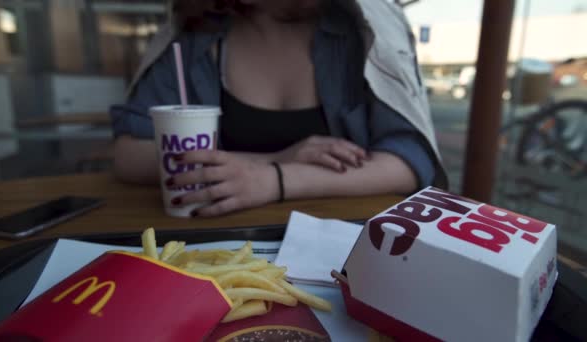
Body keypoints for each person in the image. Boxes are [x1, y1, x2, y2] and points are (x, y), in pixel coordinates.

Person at [110, 0, 447, 217]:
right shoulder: (193, 39)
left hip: (345, 248)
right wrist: (273, 159)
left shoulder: (365, 30)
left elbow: (410, 161)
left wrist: (277, 181)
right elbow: (128, 154)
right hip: (215, 243)